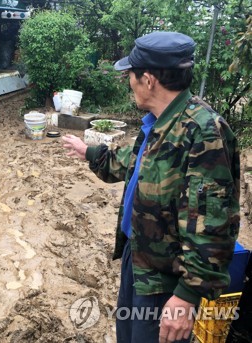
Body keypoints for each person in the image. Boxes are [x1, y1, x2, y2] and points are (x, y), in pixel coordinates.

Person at [62, 31, 240, 343]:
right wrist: (88, 151)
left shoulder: (204, 132)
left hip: (166, 282)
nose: (128, 81)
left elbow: (213, 224)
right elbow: (130, 163)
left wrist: (186, 297)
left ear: (148, 80)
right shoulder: (159, 121)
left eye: (130, 74)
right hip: (140, 260)